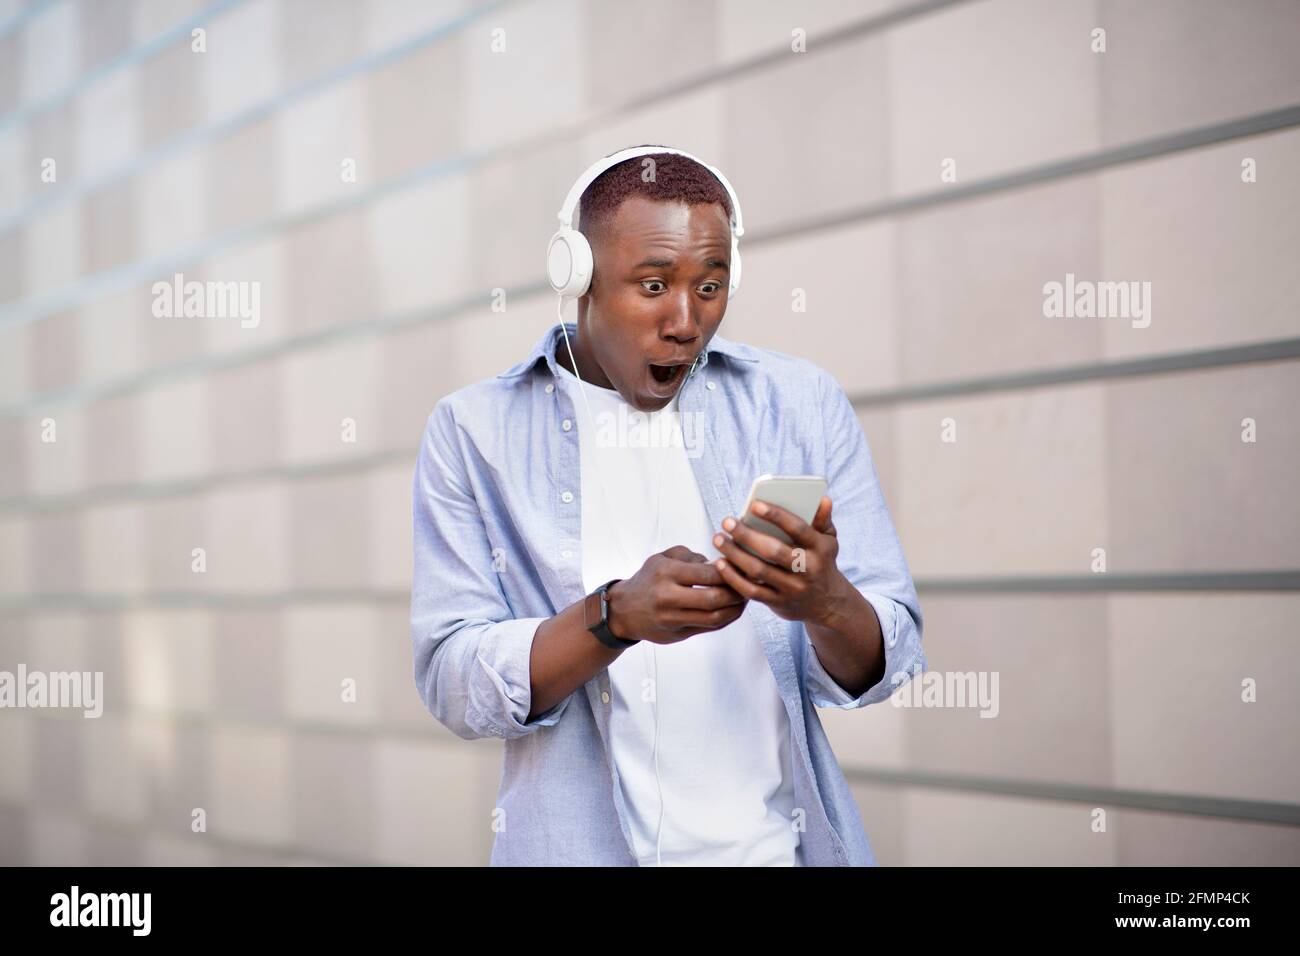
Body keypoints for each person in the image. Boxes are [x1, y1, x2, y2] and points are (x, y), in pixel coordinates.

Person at [411, 145, 925, 866]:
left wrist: (825, 601)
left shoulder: (800, 404)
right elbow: (452, 681)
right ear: (579, 277)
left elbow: (890, 658)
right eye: (653, 285)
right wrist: (612, 618)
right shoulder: (474, 432)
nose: (686, 320)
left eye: (710, 286)